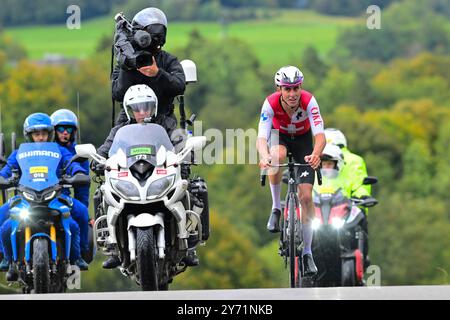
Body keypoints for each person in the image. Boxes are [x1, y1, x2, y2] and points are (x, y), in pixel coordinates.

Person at [98, 84, 199, 268]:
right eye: (137, 108)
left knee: (186, 188)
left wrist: (185, 155)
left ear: (154, 106)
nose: (142, 111)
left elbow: (179, 141)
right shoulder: (120, 129)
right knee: (102, 192)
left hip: (158, 175)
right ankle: (110, 243)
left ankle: (188, 241)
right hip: (131, 177)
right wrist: (98, 159)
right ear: (129, 110)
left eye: (146, 106)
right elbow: (107, 147)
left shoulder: (166, 123)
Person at [0, 113, 89, 281]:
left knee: (79, 217)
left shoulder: (60, 151)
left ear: (50, 133)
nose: (40, 137)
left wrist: (77, 172)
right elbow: (5, 171)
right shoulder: (19, 153)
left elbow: (73, 164)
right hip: (25, 198)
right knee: (4, 223)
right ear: (29, 135)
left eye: (44, 133)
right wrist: (3, 178)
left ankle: (77, 259)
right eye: (36, 133)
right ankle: (8, 259)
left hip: (55, 197)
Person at [256, 65, 326, 276]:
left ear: (300, 87)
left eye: (296, 88)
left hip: (304, 141)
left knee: (306, 198)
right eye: (288, 89)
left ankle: (307, 252)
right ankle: (277, 207)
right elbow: (261, 138)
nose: (293, 94)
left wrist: (316, 154)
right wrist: (264, 156)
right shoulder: (269, 104)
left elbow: (320, 136)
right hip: (280, 137)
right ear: (279, 89)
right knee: (276, 156)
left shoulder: (309, 101)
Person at [111, 7, 185, 136]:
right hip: (128, 125)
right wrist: (128, 64)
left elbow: (179, 86)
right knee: (108, 153)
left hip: (164, 125)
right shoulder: (125, 63)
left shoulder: (168, 60)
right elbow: (118, 94)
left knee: (185, 153)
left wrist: (158, 74)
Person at [324, 128, 372, 266]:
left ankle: (361, 259)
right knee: (360, 224)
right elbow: (361, 184)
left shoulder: (352, 160)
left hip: (335, 206)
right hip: (348, 205)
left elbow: (360, 183)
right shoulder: (356, 160)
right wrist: (362, 197)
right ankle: (363, 259)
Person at [50, 109, 91, 261]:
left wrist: (84, 208)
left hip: (62, 196)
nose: (65, 132)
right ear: (53, 131)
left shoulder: (79, 153)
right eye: (60, 129)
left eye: (69, 129)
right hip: (39, 194)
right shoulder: (44, 149)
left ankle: (82, 252)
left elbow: (83, 188)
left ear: (74, 132)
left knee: (81, 212)